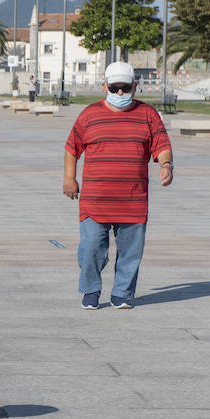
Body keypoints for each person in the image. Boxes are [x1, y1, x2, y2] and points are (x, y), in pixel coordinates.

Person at [63, 61, 174, 310]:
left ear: (135, 87)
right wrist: (69, 179)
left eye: (126, 88)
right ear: (105, 87)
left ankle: (122, 293)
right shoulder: (89, 115)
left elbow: (162, 144)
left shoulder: (147, 114)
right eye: (115, 88)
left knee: (130, 252)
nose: (121, 93)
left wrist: (166, 166)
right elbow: (72, 149)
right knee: (91, 248)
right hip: (94, 201)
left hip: (133, 201)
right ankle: (90, 289)